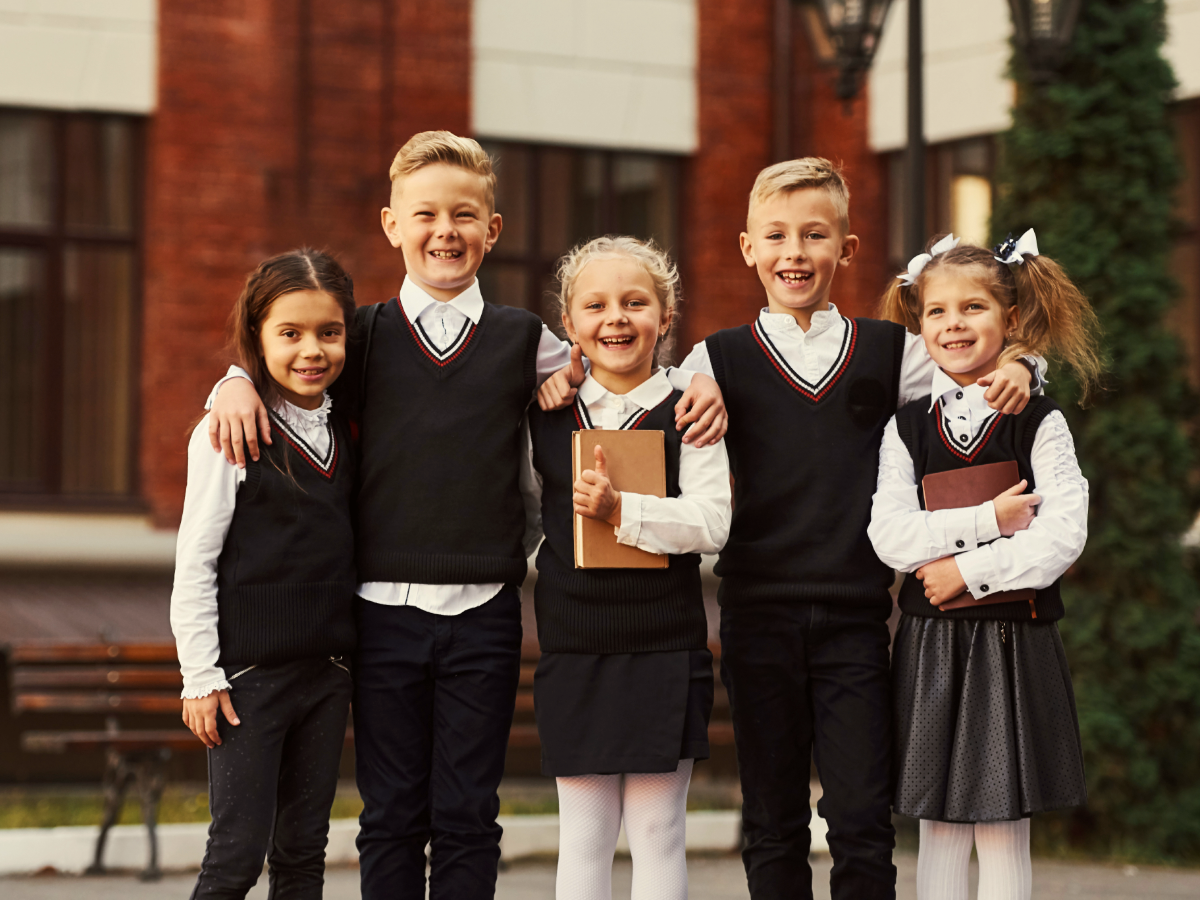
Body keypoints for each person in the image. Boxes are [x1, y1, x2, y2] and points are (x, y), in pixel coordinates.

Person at [203, 131, 728, 899]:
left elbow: (617, 361)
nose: (444, 231)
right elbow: (292, 368)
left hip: (483, 614)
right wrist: (232, 381)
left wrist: (704, 379)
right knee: (389, 816)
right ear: (392, 225)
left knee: (467, 816)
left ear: (494, 229)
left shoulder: (527, 341)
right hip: (379, 616)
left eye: (463, 215)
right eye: (425, 215)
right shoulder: (364, 337)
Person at [538, 158, 1045, 900]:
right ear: (748, 248)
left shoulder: (893, 352)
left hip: (856, 618)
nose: (795, 252)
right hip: (757, 615)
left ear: (847, 247)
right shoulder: (716, 361)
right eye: (775, 235)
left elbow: (971, 369)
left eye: (815, 235)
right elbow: (632, 378)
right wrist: (569, 370)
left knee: (862, 817)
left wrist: (1028, 364)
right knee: (772, 820)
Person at [869, 230, 1101, 900]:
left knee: (1002, 826)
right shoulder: (907, 427)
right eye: (938, 311)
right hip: (932, 643)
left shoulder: (1040, 420)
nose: (954, 324)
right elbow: (891, 534)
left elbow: (1063, 536)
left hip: (1012, 640)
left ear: (1011, 319)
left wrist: (964, 573)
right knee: (938, 825)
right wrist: (986, 523)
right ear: (920, 324)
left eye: (973, 308)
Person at [526, 236, 731, 900]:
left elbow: (712, 521)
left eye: (635, 302)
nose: (616, 317)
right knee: (584, 837)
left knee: (657, 832)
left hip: (664, 646)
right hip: (574, 644)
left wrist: (625, 512)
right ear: (570, 323)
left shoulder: (693, 408)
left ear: (665, 317)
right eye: (597, 305)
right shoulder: (544, 411)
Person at [171, 248, 358, 899]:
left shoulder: (350, 429)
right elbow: (195, 561)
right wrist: (200, 676)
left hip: (327, 675)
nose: (312, 350)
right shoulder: (229, 430)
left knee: (303, 854)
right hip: (248, 682)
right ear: (257, 336)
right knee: (235, 858)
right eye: (290, 333)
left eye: (328, 333)